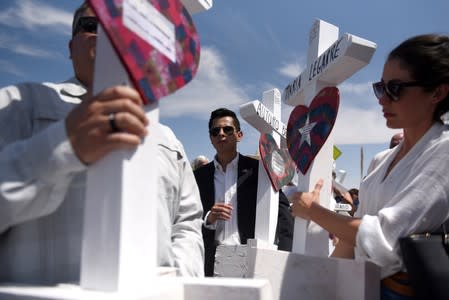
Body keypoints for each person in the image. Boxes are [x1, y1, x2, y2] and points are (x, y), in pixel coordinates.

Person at [0, 1, 204, 284]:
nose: (110, 34)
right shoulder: (18, 104)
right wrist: (61, 147)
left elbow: (188, 223)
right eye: (93, 26)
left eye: (125, 25)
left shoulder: (168, 138)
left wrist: (177, 279)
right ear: (72, 48)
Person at [290, 34, 449, 299]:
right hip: (361, 287)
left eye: (395, 88)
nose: (382, 99)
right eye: (380, 87)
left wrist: (313, 210)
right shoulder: (380, 161)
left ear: (437, 92)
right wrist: (325, 287)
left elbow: (383, 239)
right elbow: (354, 237)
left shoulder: (443, 150)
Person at [194, 108, 294, 276]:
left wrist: (282, 259)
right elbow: (186, 221)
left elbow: (283, 216)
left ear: (239, 135)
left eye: (227, 129)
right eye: (215, 131)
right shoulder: (198, 177)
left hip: (252, 263)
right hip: (210, 263)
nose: (221, 134)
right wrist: (208, 219)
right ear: (211, 138)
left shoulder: (259, 171)